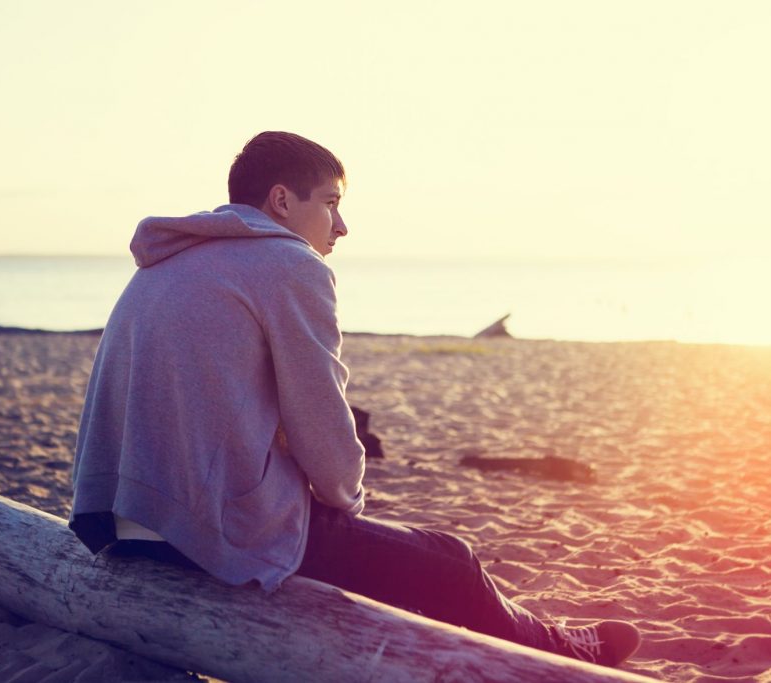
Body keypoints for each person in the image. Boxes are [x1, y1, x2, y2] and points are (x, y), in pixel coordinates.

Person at [69, 131, 640, 667]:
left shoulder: (169, 258)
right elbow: (322, 423)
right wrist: (345, 506)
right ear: (282, 201)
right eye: (331, 203)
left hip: (119, 517)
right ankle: (556, 655)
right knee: (450, 561)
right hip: (205, 530)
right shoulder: (288, 263)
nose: (341, 226)